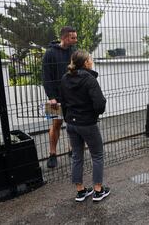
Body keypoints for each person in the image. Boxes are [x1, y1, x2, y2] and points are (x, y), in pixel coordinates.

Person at [60, 50, 110, 202]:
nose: (92, 60)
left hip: (71, 124)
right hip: (87, 124)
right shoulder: (89, 79)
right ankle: (98, 190)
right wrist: (93, 113)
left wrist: (68, 118)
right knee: (97, 155)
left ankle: (80, 191)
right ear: (86, 63)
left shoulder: (65, 78)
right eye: (90, 58)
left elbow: (63, 102)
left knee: (76, 156)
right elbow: (100, 104)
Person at [42, 26, 77, 168]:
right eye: (72, 37)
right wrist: (51, 97)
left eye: (75, 37)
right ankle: (52, 154)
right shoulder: (50, 53)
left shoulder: (74, 53)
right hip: (55, 98)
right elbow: (46, 77)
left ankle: (72, 149)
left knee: (73, 123)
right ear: (64, 38)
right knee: (56, 124)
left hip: (72, 96)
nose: (75, 40)